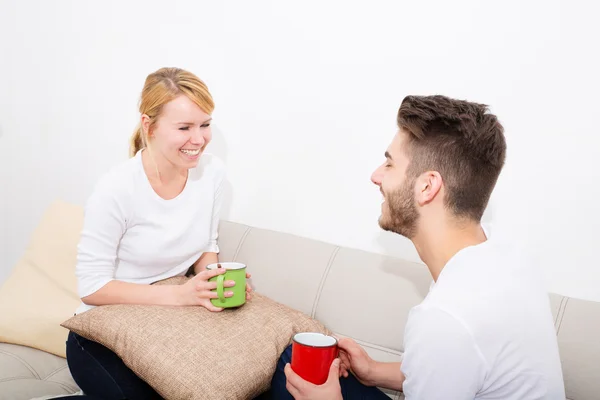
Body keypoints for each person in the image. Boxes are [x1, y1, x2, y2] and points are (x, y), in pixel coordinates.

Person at [268, 95, 565, 399]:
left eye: (389, 163)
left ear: (427, 186)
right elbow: (459, 367)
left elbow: (450, 343)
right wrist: (371, 372)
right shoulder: (506, 256)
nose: (376, 176)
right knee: (295, 360)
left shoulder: (445, 318)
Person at [63, 67, 252, 399]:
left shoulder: (211, 174)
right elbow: (92, 287)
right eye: (184, 127)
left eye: (205, 125)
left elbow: (206, 244)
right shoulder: (116, 190)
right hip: (103, 333)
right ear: (148, 126)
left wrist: (217, 283)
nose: (199, 139)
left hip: (166, 322)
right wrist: (181, 296)